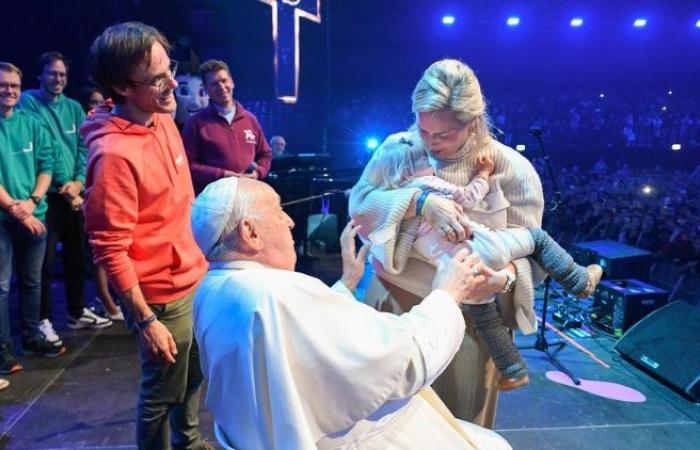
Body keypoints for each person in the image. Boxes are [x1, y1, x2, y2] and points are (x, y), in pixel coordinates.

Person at [190, 176, 512, 450]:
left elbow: (295, 345)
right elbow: (403, 361)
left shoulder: (215, 288)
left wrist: (345, 284)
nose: (289, 221)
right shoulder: (274, 293)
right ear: (250, 232)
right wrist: (448, 293)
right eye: (278, 211)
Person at [349, 59, 546, 425]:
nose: (431, 143)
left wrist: (502, 280)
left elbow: (532, 254)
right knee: (378, 424)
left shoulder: (513, 170)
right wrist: (419, 203)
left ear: (473, 122)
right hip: (392, 302)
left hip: (468, 319)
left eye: (445, 134)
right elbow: (359, 206)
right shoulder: (398, 149)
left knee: (453, 426)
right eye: (424, 130)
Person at [358, 133, 602, 389]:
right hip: (485, 247)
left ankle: (513, 370)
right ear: (411, 169)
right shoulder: (429, 185)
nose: (433, 161)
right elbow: (468, 197)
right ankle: (580, 280)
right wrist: (483, 173)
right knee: (537, 239)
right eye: (425, 158)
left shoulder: (395, 202)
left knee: (485, 317)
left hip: (455, 269)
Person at [81, 22, 209, 450]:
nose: (173, 82)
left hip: (194, 278)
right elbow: (110, 249)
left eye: (167, 68)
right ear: (121, 85)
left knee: (192, 377)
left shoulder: (163, 118)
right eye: (157, 78)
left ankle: (188, 443)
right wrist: (146, 320)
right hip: (160, 297)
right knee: (161, 394)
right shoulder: (114, 154)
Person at [18, 52, 111, 347]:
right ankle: (42, 319)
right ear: (40, 75)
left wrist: (79, 183)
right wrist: (64, 185)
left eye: (62, 75)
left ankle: (76, 311)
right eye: (52, 74)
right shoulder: (27, 104)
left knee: (77, 255)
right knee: (43, 263)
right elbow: (47, 151)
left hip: (74, 192)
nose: (57, 79)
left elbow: (85, 147)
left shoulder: (73, 107)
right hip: (45, 194)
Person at [1, 61, 65, 380]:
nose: (9, 91)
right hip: (4, 217)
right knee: (1, 286)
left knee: (32, 280)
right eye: (3, 85)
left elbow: (47, 164)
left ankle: (31, 338)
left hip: (33, 212)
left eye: (13, 85)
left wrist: (33, 201)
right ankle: (2, 349)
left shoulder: (30, 123)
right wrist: (15, 208)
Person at [182, 59, 272, 194]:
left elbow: (265, 154)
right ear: (206, 89)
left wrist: (258, 173)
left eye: (224, 81)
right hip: (213, 202)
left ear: (232, 82)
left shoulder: (250, 119)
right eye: (214, 84)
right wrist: (222, 175)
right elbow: (187, 165)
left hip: (248, 196)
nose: (221, 87)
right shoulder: (195, 123)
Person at [74, 86, 123, 321]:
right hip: (87, 198)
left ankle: (111, 300)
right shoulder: (86, 130)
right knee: (101, 253)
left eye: (101, 101)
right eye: (92, 102)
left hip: (111, 195)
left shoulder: (110, 125)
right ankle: (105, 301)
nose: (97, 106)